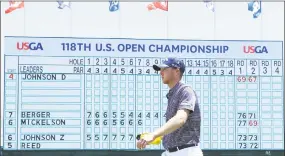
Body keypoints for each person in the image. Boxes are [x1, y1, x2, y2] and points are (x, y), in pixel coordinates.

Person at [136, 57, 203, 156]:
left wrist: (154, 134)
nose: (161, 73)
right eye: (160, 70)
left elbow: (180, 119)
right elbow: (179, 129)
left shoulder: (185, 90)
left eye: (164, 69)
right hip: (172, 152)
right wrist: (157, 137)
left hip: (186, 152)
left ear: (176, 71)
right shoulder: (173, 93)